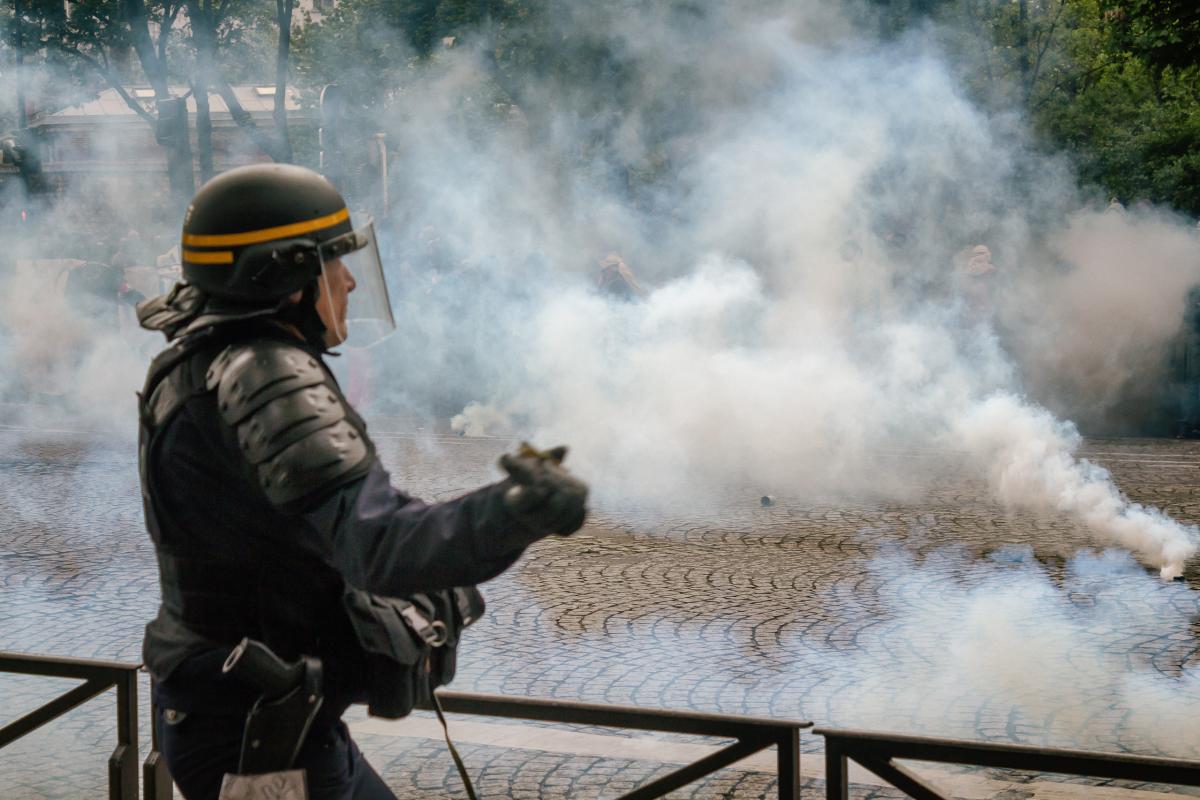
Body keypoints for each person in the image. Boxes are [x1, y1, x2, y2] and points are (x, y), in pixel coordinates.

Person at [135, 163, 588, 799]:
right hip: (254, 735)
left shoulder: (208, 359)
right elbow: (379, 545)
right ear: (284, 276)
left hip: (258, 714)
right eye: (330, 263)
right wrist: (515, 510)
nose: (348, 280)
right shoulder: (266, 375)